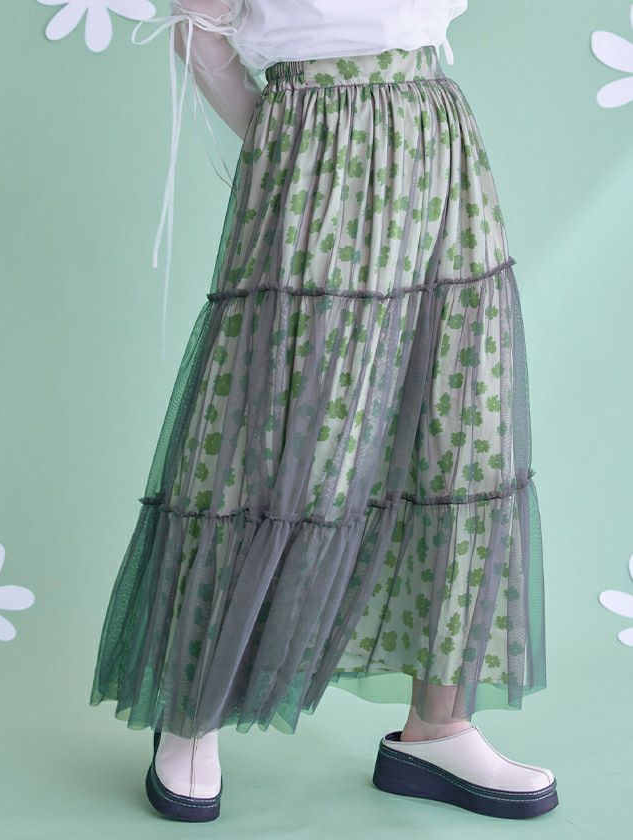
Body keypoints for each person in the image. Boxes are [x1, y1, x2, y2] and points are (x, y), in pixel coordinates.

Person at [89, 0, 558, 822]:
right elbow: (199, 28)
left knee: (459, 419)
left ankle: (438, 725)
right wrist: (287, 140)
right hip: (317, 148)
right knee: (276, 430)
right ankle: (193, 707)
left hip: (437, 137)